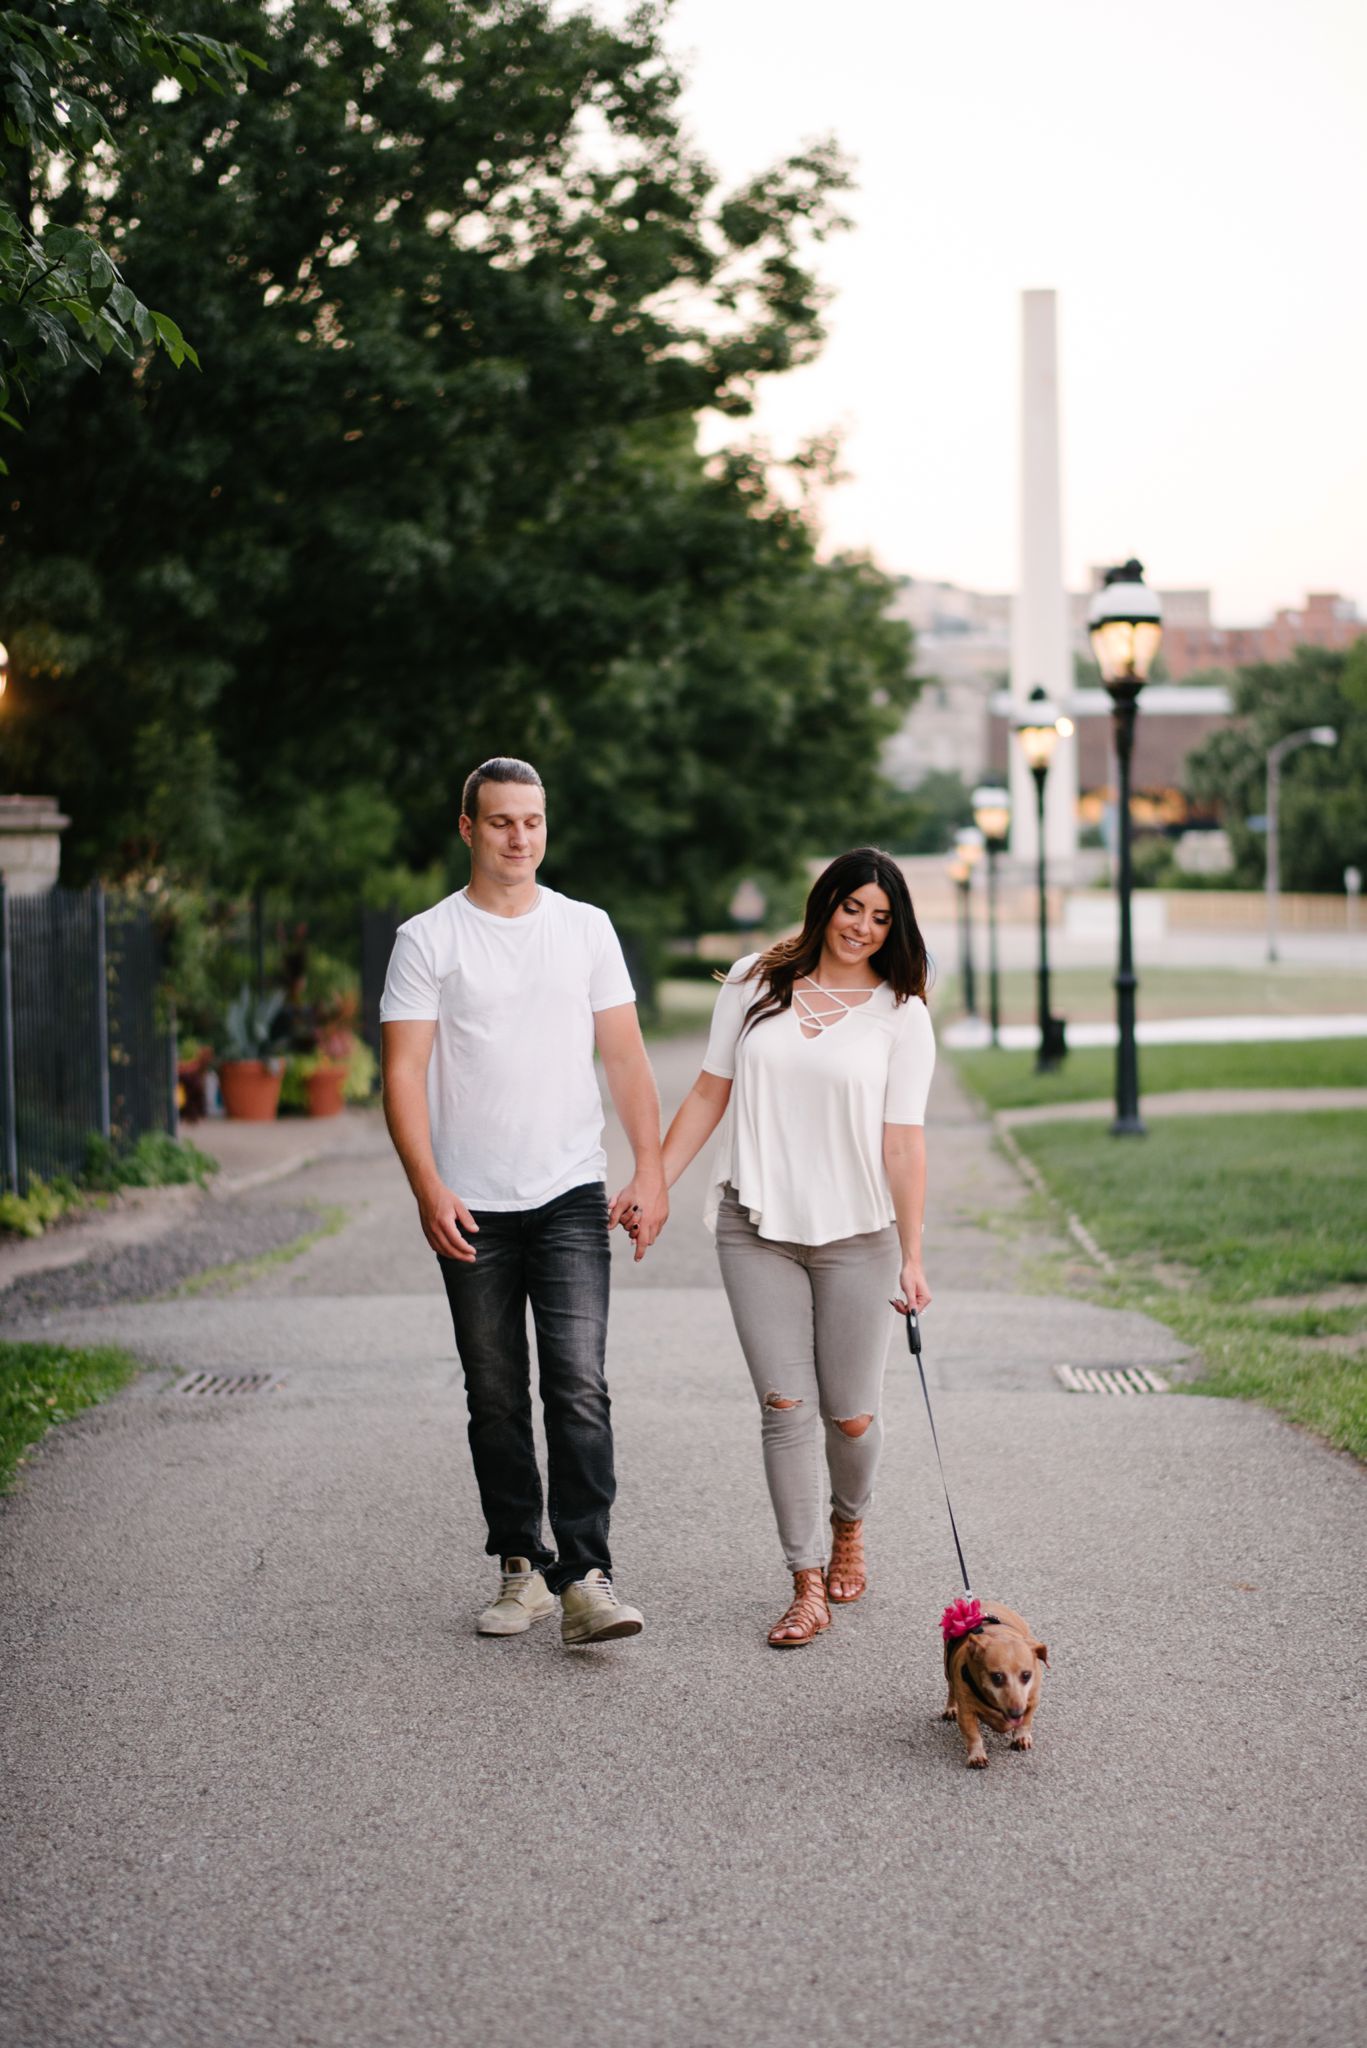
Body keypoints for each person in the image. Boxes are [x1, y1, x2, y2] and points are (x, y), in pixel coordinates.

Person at [379, 757, 668, 1645]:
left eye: (533, 821)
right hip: (471, 1204)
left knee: (578, 1386)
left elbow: (622, 1057)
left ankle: (584, 1576)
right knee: (496, 1395)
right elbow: (403, 1070)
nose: (520, 838)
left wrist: (648, 1170)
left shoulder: (585, 930)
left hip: (569, 1192)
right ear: (468, 828)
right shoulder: (428, 938)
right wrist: (428, 1187)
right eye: (502, 822)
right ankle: (520, 1567)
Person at [660, 848, 934, 1648]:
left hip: (859, 1235)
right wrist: (659, 1182)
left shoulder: (900, 1014)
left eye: (881, 918)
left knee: (849, 1418)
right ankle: (804, 1581)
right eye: (853, 907)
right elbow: (710, 1090)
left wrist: (913, 1256)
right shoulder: (754, 981)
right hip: (756, 1227)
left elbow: (905, 1145)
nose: (863, 927)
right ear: (826, 903)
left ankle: (849, 1525)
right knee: (785, 1407)